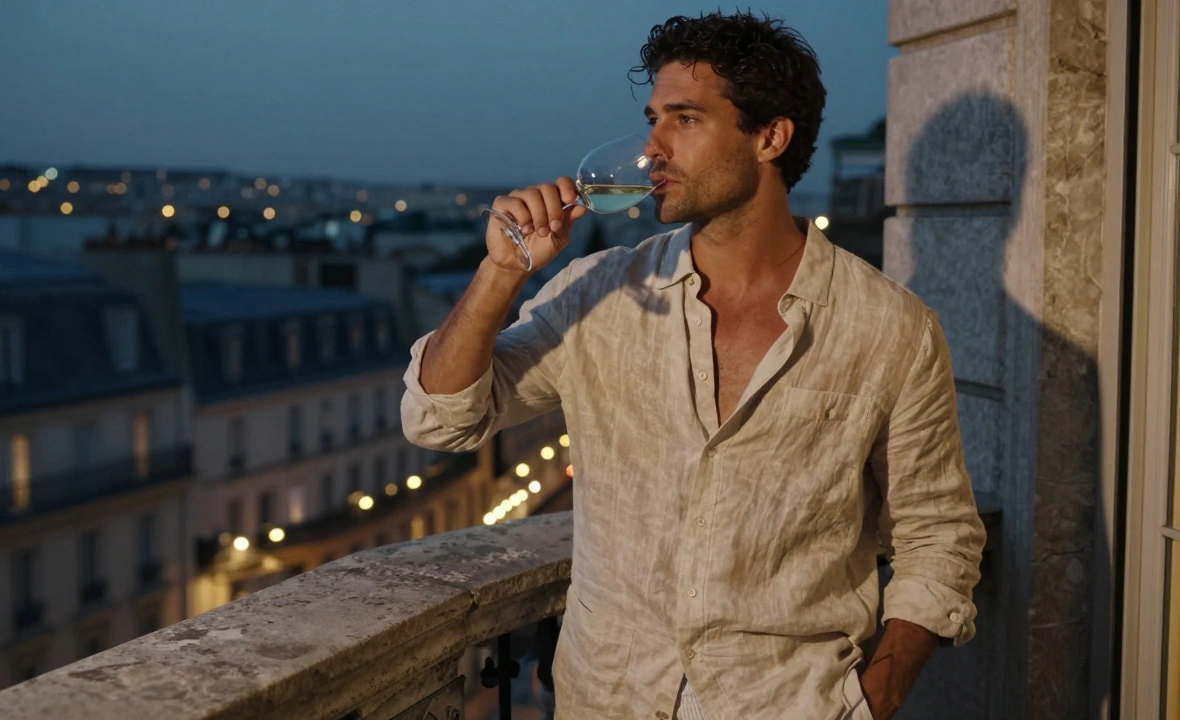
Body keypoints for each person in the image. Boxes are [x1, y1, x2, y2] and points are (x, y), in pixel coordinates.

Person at [401, 10, 985, 720]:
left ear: (770, 137)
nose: (651, 149)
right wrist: (499, 273)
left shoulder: (891, 328)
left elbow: (939, 535)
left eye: (684, 120)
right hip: (608, 701)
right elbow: (439, 420)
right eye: (652, 119)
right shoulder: (599, 296)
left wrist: (874, 697)